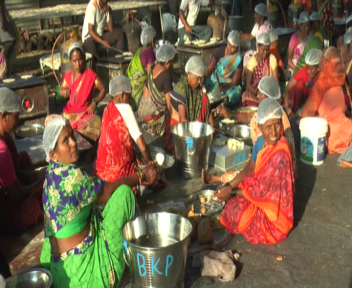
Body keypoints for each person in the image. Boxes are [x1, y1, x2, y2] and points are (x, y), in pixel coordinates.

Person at [40, 117, 158, 287]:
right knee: (124, 195)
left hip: (61, 271)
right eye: (65, 141)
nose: (73, 143)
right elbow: (107, 192)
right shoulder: (74, 178)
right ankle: (140, 263)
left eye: (72, 136)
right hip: (85, 274)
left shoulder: (50, 175)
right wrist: (140, 176)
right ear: (53, 154)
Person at [209, 99, 295, 245]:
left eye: (277, 125)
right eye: (268, 127)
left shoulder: (282, 153)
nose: (274, 131)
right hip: (258, 195)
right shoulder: (261, 142)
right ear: (260, 127)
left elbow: (268, 194)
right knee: (232, 206)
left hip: (274, 214)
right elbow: (250, 167)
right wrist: (229, 186)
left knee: (238, 214)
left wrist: (233, 192)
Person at [95, 75, 154, 187]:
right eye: (128, 96)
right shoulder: (125, 108)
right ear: (122, 95)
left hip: (102, 172)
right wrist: (150, 163)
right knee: (153, 175)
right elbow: (143, 146)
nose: (130, 100)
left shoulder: (107, 109)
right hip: (119, 174)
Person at [0, 88, 44, 234]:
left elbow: (16, 169)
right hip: (5, 206)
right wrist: (38, 184)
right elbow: (16, 193)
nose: (18, 121)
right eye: (16, 117)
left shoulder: (6, 136)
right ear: (4, 116)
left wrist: (33, 175)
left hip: (9, 189)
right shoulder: (2, 150)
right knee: (34, 207)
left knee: (23, 157)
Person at [300, 47, 352, 154]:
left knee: (297, 124)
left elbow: (307, 113)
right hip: (348, 134)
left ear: (325, 63)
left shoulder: (322, 84)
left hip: (331, 139)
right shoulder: (343, 81)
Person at [165, 56, 215, 152]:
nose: (200, 81)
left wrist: (211, 129)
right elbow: (183, 121)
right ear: (189, 74)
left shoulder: (198, 90)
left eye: (201, 78)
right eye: (198, 78)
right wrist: (192, 144)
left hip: (192, 129)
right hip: (179, 133)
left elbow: (207, 109)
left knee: (204, 97)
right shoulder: (181, 89)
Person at [59, 43, 106, 142]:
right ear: (70, 62)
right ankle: (74, 131)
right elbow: (60, 90)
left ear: (84, 59)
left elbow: (103, 90)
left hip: (84, 113)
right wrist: (63, 92)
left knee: (97, 122)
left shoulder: (90, 75)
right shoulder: (68, 76)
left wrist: (95, 102)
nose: (78, 63)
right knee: (51, 120)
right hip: (70, 114)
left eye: (80, 59)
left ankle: (74, 133)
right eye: (74, 61)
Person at [136, 44, 176, 136]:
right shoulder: (166, 75)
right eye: (171, 63)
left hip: (141, 113)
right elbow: (169, 104)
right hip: (152, 119)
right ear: (167, 62)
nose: (171, 65)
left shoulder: (153, 67)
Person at [205, 30, 243, 109]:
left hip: (229, 84)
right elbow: (209, 68)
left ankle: (226, 108)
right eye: (228, 44)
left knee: (234, 94)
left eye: (233, 47)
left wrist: (223, 86)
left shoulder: (238, 58)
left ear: (237, 47)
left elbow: (234, 81)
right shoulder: (221, 50)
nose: (229, 48)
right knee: (207, 85)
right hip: (217, 79)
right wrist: (203, 78)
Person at [242, 32, 278, 107]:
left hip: (268, 90)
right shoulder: (252, 61)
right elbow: (248, 84)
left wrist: (267, 93)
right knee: (246, 96)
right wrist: (257, 93)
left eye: (267, 50)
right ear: (258, 47)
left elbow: (275, 81)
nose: (265, 52)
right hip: (255, 91)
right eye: (263, 50)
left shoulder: (272, 58)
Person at [127, 26, 157, 111]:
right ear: (153, 41)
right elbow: (150, 75)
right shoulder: (149, 53)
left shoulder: (139, 50)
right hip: (137, 90)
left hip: (130, 86)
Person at [284, 48, 322, 115]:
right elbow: (288, 88)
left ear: (318, 67)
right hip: (302, 103)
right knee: (299, 84)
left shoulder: (323, 76)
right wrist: (287, 108)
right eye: (307, 68)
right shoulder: (304, 72)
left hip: (316, 105)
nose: (308, 71)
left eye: (311, 69)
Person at [0, 0, 17, 77]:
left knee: (13, 42)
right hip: (2, 17)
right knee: (8, 43)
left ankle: (8, 73)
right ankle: (4, 73)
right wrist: (3, 18)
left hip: (4, 15)